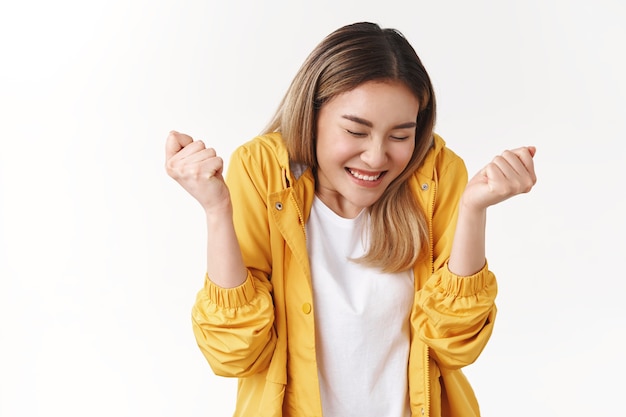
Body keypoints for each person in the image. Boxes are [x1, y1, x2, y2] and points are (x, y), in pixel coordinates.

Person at [165, 21, 536, 417]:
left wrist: (473, 209)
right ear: (312, 114)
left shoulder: (437, 176)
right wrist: (217, 209)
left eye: (399, 136)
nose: (377, 157)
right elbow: (235, 353)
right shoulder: (262, 172)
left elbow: (455, 344)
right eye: (356, 131)